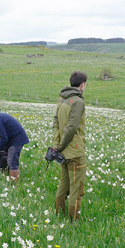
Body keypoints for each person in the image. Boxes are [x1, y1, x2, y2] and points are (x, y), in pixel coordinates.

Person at [52, 71, 87, 221]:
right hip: (75, 153)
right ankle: (74, 221)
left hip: (63, 153)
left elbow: (56, 124)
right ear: (82, 84)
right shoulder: (78, 102)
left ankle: (59, 215)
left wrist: (56, 145)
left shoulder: (62, 99)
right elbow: (71, 128)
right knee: (76, 189)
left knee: (63, 185)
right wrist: (60, 146)